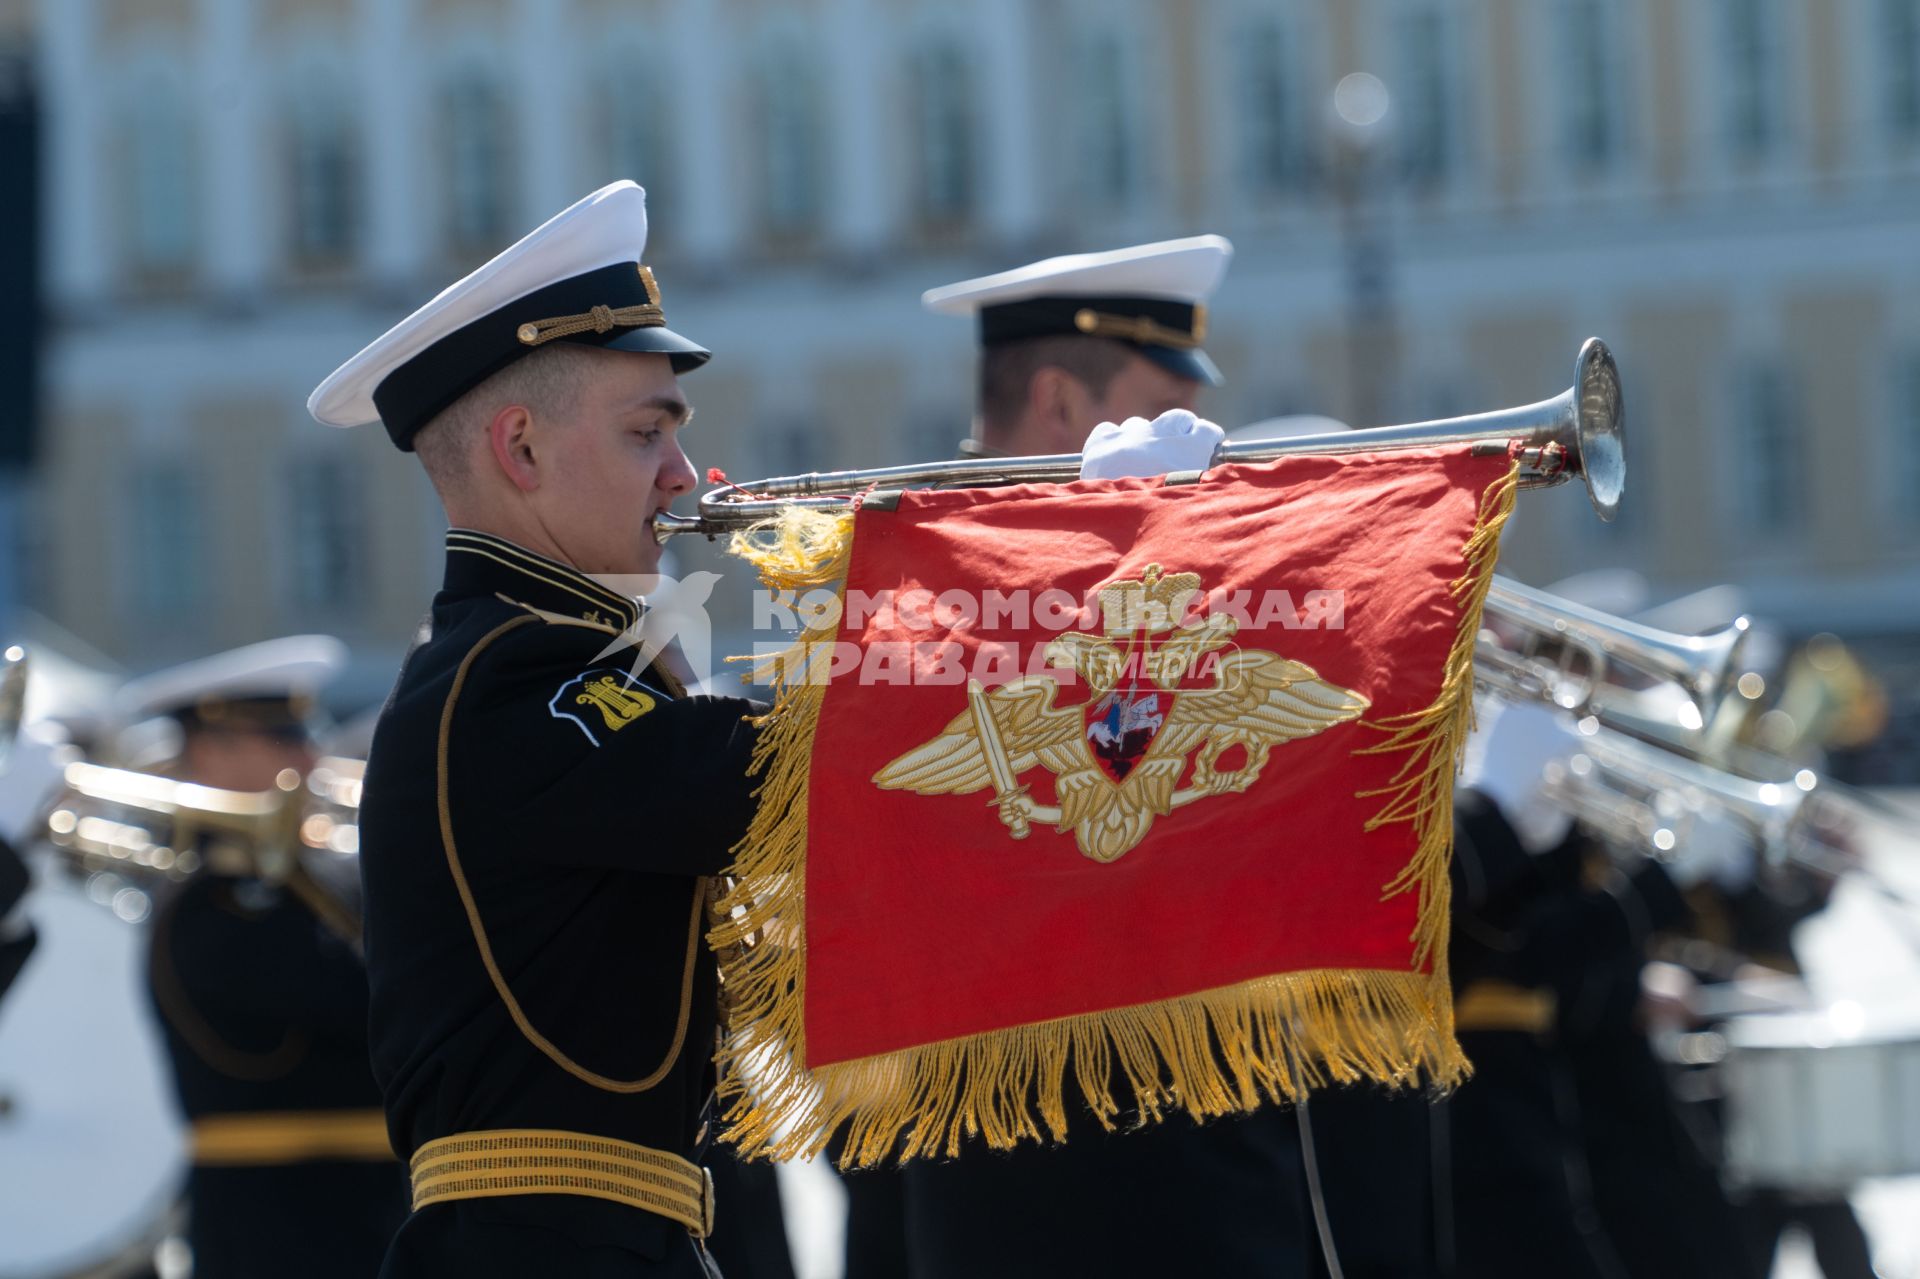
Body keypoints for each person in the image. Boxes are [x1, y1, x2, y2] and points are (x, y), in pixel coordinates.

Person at [308, 181, 764, 1277]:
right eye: (646, 431)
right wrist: (1028, 585)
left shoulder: (560, 654)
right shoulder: (511, 672)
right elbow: (768, 775)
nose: (683, 477)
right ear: (518, 449)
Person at [887, 237, 1322, 1279]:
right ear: (1057, 401)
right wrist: (1123, 557)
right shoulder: (910, 587)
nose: (1202, 438)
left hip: (1222, 1188)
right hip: (1048, 1209)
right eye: (1162, 402)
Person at [119, 636, 409, 1278]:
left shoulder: (316, 878)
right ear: (209, 752)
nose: (310, 754)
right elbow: (365, 1005)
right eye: (281, 738)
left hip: (375, 1210)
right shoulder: (210, 902)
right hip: (272, 1227)